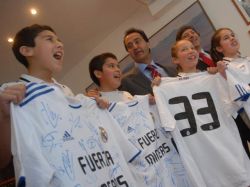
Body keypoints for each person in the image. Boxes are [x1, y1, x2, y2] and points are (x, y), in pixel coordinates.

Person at [0, 24, 107, 186]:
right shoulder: (9, 94)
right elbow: (2, 160)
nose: (60, 44)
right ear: (27, 51)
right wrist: (4, 117)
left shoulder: (66, 91)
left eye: (59, 40)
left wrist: (94, 108)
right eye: (49, 39)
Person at [153, 39, 250, 187]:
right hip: (203, 161)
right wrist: (157, 88)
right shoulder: (164, 88)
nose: (191, 50)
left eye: (192, 48)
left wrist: (221, 76)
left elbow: (237, 105)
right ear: (175, 60)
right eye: (184, 49)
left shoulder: (214, 77)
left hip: (229, 154)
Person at [89, 52, 193, 187]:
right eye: (111, 66)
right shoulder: (95, 102)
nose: (117, 69)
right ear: (98, 73)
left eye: (118, 66)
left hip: (157, 160)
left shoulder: (126, 95)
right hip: (136, 169)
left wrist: (155, 95)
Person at [210, 27, 250, 158]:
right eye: (226, 38)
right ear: (219, 48)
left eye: (233, 35)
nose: (232, 38)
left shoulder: (247, 60)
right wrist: (223, 74)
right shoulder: (222, 70)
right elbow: (231, 105)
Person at [119, 28, 177, 96]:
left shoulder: (172, 70)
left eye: (137, 42)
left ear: (148, 43)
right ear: (128, 52)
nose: (135, 47)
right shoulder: (126, 82)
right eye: (130, 46)